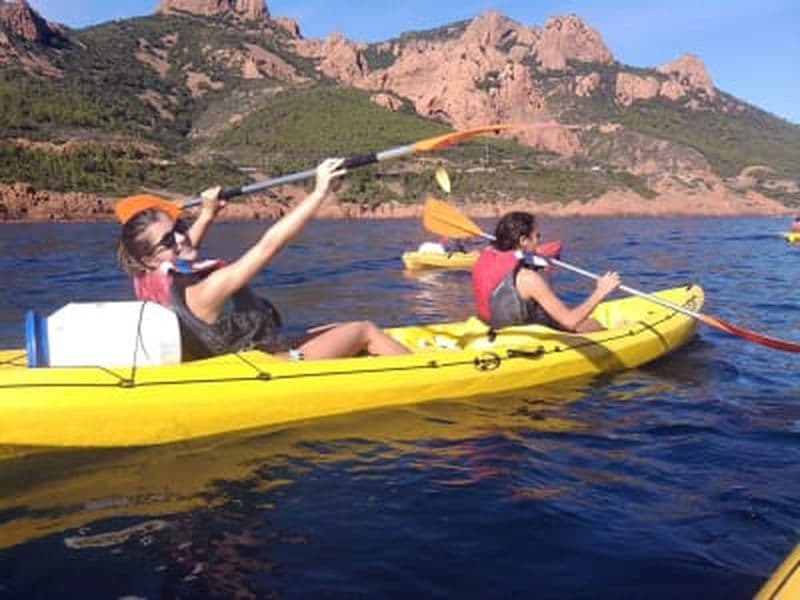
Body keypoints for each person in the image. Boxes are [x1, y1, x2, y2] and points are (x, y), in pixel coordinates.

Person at [116, 158, 410, 361]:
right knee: (364, 329)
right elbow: (269, 245)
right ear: (149, 258)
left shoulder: (147, 278)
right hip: (276, 363)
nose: (181, 238)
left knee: (340, 326)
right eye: (168, 240)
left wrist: (207, 214)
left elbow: (182, 248)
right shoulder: (208, 290)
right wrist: (319, 192)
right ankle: (428, 374)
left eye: (179, 228)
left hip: (251, 351)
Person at [472, 211, 620, 333]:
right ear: (523, 240)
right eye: (537, 236)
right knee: (593, 325)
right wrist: (601, 291)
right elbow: (570, 322)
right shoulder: (528, 279)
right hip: (523, 336)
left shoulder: (484, 258)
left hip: (494, 328)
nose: (539, 240)